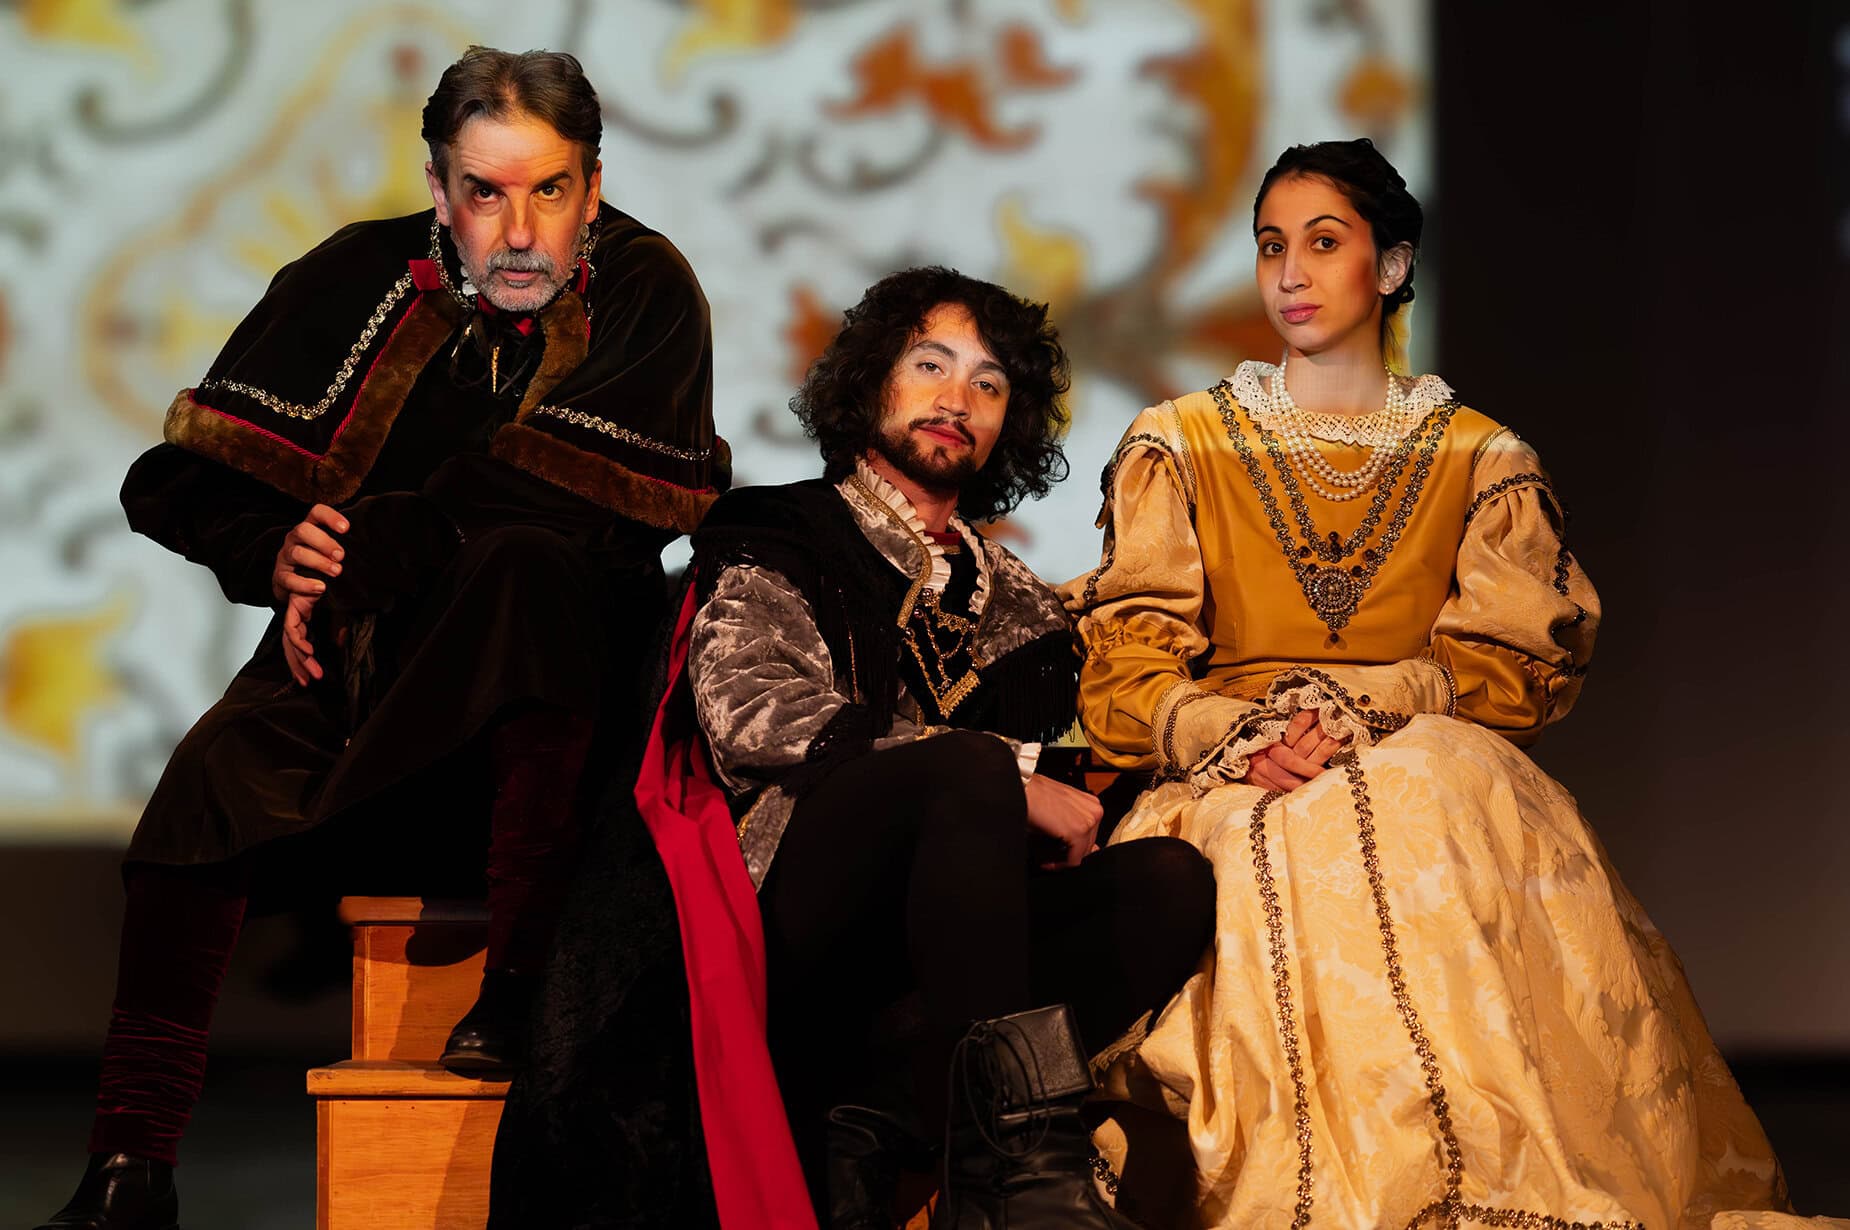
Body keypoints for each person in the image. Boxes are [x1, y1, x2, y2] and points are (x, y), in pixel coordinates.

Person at [35, 46, 726, 1230]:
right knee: (211, 777)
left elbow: (576, 498)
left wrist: (374, 544)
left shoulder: (647, 287)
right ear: (439, 187)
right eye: (485, 192)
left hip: (566, 706)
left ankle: (513, 992)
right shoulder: (356, 275)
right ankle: (130, 1166)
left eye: (549, 190)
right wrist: (276, 549)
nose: (519, 231)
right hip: (374, 668)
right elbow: (175, 481)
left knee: (524, 567)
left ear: (592, 188)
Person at [1065, 138, 1789, 1228]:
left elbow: (1513, 660)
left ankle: (1466, 1185)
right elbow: (1128, 657)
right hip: (1231, 764)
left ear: (1392, 265)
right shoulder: (1181, 443)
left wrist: (1372, 706)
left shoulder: (1479, 457)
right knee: (1272, 839)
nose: (1291, 273)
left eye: (1324, 242)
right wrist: (1236, 733)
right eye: (1270, 246)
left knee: (1425, 796)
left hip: (1414, 749)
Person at [487, 266, 1214, 1230]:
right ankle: (1022, 1176)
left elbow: (1073, 776)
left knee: (1170, 882)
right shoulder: (782, 530)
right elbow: (750, 710)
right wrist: (1009, 773)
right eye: (930, 365)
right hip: (792, 916)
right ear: (873, 380)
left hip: (951, 954)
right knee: (966, 771)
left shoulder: (1027, 608)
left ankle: (903, 1116)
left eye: (989, 383)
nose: (957, 399)